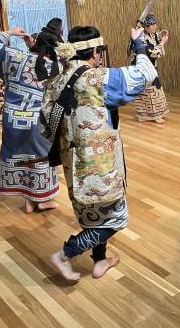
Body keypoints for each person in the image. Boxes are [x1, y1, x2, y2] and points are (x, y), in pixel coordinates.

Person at [41, 25, 157, 281]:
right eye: (100, 51)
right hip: (100, 163)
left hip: (74, 164)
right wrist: (138, 43)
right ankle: (64, 254)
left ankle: (100, 261)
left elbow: (44, 123)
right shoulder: (97, 78)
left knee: (90, 215)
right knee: (115, 219)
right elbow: (146, 73)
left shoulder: (57, 81)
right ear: (95, 52)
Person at [0, 22, 60, 214]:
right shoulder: (55, 68)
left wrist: (10, 33)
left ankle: (28, 200)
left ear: (33, 44)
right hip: (38, 122)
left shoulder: (14, 57)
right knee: (40, 159)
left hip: (13, 120)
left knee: (21, 158)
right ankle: (41, 201)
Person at [129, 13, 170, 124]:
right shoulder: (140, 39)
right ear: (146, 27)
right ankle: (150, 115)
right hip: (143, 69)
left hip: (147, 68)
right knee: (150, 92)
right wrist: (162, 42)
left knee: (150, 91)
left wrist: (161, 35)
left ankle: (147, 115)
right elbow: (152, 53)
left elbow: (154, 36)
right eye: (152, 25)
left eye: (155, 24)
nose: (155, 26)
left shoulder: (148, 34)